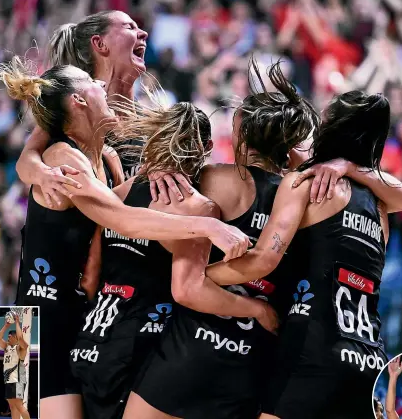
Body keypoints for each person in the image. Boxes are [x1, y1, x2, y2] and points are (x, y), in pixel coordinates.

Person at [0, 58, 250, 419]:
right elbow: (121, 218)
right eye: (93, 84)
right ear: (79, 101)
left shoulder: (105, 158)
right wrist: (209, 227)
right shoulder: (62, 155)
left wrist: (159, 167)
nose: (102, 85)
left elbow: (116, 213)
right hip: (25, 324)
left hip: (71, 316)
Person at [205, 88, 402, 419]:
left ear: (334, 126)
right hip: (369, 359)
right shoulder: (380, 206)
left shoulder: (305, 183)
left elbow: (262, 260)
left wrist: (202, 276)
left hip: (314, 348)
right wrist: (349, 166)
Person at [69, 98, 278, 419]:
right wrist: (257, 309)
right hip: (136, 344)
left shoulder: (119, 195)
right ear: (206, 148)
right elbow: (189, 290)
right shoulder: (196, 207)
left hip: (89, 338)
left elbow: (90, 276)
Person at [16, 10, 191, 207]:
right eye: (129, 27)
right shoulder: (78, 109)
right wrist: (44, 175)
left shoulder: (151, 121)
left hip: (133, 229)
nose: (144, 33)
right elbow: (25, 161)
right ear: (100, 44)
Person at [0, 314, 30, 419]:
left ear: (15, 338)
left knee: (19, 406)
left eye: (10, 337)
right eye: (8, 337)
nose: (8, 338)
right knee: (12, 407)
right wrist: (6, 326)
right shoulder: (7, 347)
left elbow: (20, 338)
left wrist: (17, 323)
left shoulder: (20, 348)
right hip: (9, 380)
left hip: (18, 380)